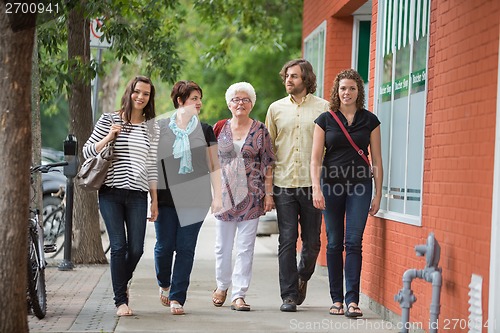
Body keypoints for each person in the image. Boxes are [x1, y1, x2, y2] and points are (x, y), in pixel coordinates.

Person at [82, 75, 159, 317]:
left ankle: (119, 282)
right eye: (137, 92)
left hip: (138, 195)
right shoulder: (109, 120)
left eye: (146, 94)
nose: (140, 97)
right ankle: (120, 301)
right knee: (118, 246)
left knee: (136, 249)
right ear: (129, 92)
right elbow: (86, 150)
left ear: (150, 98)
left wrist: (154, 200)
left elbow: (152, 165)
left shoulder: (151, 127)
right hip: (111, 193)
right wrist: (109, 137)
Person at [310, 69, 383, 318]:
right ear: (336, 91)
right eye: (343, 88)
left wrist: (379, 193)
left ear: (358, 91)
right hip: (331, 186)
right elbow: (315, 159)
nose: (347, 92)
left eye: (352, 88)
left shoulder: (370, 120)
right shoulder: (325, 119)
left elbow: (377, 159)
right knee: (334, 243)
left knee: (353, 242)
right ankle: (336, 300)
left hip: (361, 186)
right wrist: (316, 188)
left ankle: (352, 300)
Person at [265, 59, 330, 312]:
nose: (288, 80)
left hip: (312, 185)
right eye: (286, 76)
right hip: (283, 184)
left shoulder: (324, 107)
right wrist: (268, 191)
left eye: (294, 76)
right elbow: (268, 152)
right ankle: (289, 296)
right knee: (287, 239)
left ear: (306, 79)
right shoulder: (275, 109)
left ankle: (303, 275)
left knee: (312, 242)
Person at [155, 80, 222, 315]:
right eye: (194, 98)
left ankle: (177, 298)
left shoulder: (205, 130)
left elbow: (214, 165)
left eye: (199, 98)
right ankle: (164, 282)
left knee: (185, 248)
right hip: (165, 198)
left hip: (196, 197)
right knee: (164, 247)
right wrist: (151, 198)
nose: (199, 103)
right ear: (180, 101)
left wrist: (217, 196)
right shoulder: (161, 128)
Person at [211, 82, 275, 312]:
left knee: (246, 247)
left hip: (253, 195)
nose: (241, 103)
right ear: (229, 104)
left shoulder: (260, 130)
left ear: (252, 103)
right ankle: (221, 286)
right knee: (222, 247)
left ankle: (239, 294)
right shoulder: (219, 128)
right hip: (224, 197)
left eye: (245, 99)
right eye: (236, 99)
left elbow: (268, 164)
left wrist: (269, 195)